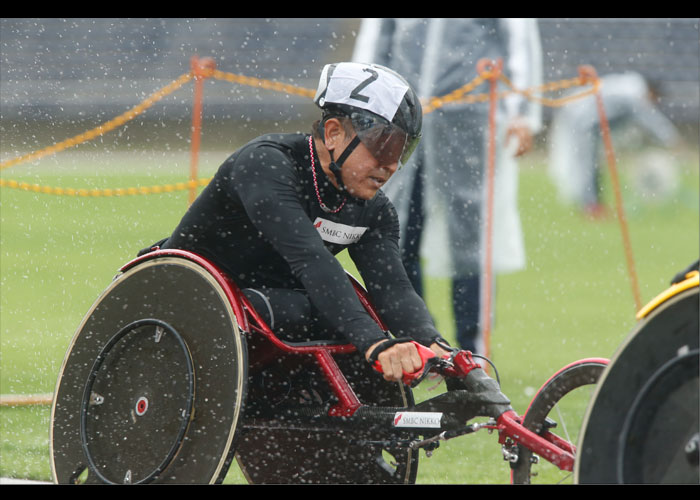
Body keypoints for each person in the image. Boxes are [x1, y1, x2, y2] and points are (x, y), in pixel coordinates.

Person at [155, 62, 451, 382]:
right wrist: (376, 344)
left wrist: (435, 345)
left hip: (266, 305)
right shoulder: (266, 164)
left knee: (328, 317)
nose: (391, 165)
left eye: (401, 151)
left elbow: (393, 290)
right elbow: (312, 261)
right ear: (334, 133)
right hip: (178, 302)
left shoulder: (375, 212)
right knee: (297, 313)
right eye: (382, 146)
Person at [352, 19, 543, 353]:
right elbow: (376, 42)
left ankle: (473, 351)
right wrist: (360, 106)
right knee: (394, 233)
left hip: (469, 123)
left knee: (471, 239)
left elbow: (518, 40)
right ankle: (420, 340)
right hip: (400, 123)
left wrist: (522, 110)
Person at [548, 72, 682, 216]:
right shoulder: (634, 91)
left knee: (591, 165)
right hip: (582, 123)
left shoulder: (628, 85)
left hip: (584, 122)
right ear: (651, 91)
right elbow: (647, 117)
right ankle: (590, 206)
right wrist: (670, 138)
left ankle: (593, 204)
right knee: (586, 166)